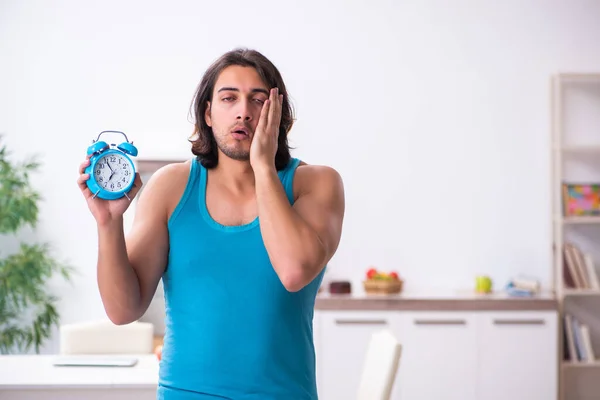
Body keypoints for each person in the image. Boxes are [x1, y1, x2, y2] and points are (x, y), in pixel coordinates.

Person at [77, 48, 345, 399]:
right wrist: (108, 223)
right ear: (208, 112)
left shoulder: (316, 184)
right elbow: (123, 310)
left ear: (277, 115)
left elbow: (294, 271)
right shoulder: (170, 187)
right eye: (228, 98)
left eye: (258, 100)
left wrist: (263, 165)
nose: (243, 112)